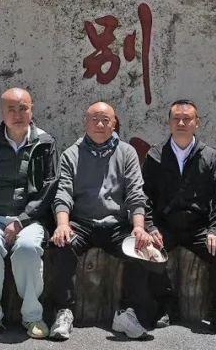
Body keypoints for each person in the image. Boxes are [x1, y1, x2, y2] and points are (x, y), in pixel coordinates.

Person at [47, 102, 159, 341]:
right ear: (85, 123)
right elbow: (63, 192)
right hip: (82, 222)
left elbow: (135, 193)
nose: (100, 124)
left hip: (116, 224)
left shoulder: (127, 152)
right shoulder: (72, 154)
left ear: (114, 123)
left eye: (105, 120)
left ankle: (126, 312)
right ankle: (64, 310)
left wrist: (139, 227)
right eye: (94, 119)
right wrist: (63, 224)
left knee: (139, 250)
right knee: (62, 245)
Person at [133, 99, 216, 341]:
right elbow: (145, 196)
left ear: (197, 123)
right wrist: (150, 227)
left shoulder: (210, 156)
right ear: (169, 123)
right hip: (166, 226)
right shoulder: (156, 155)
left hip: (199, 226)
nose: (181, 122)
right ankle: (167, 305)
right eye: (176, 118)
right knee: (148, 252)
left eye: (187, 118)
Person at [0, 88, 57, 339]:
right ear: (2, 112)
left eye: (23, 108)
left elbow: (49, 187)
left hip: (30, 219)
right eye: (11, 109)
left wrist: (22, 220)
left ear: (32, 109)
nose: (18, 114)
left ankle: (32, 316)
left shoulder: (45, 142)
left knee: (28, 249)